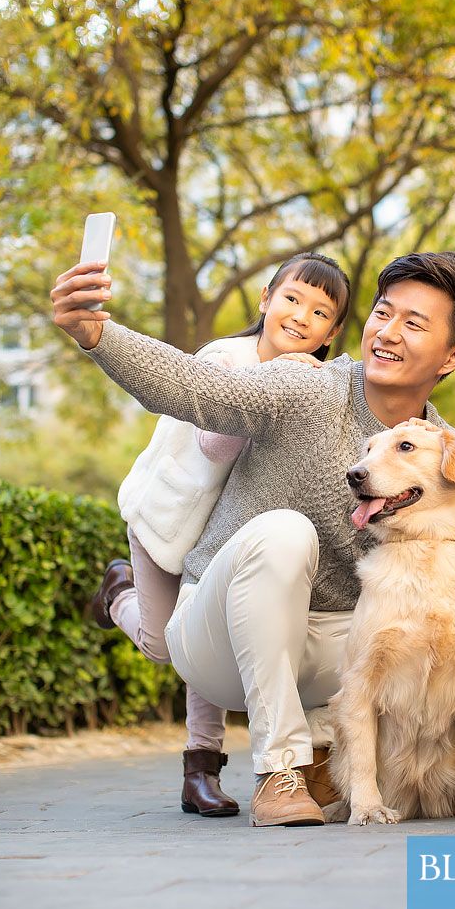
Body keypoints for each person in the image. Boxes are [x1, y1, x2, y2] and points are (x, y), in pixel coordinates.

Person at [50, 250, 455, 827]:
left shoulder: (438, 447)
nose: (387, 333)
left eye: (414, 324)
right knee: (287, 533)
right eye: (383, 313)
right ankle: (281, 769)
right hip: (218, 637)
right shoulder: (307, 384)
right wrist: (98, 335)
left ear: (452, 356)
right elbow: (199, 391)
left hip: (331, 647)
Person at [88, 253, 351, 818]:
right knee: (163, 645)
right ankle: (119, 593)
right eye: (292, 299)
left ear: (332, 333)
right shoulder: (226, 357)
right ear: (265, 300)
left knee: (218, 629)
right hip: (167, 523)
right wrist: (278, 380)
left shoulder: (318, 388)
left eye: (320, 312)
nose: (301, 317)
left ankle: (200, 769)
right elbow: (213, 441)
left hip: (219, 537)